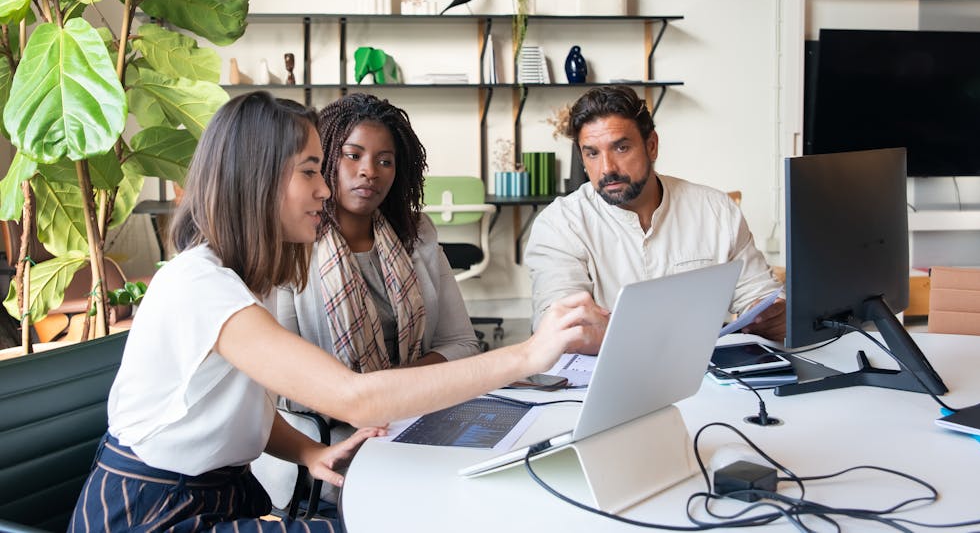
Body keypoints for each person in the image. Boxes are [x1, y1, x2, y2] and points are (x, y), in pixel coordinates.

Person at [69, 91, 600, 532]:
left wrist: (306, 451)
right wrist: (530, 354)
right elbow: (353, 396)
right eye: (310, 171)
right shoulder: (201, 285)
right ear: (258, 180)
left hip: (217, 493)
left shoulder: (238, 279)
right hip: (154, 513)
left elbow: (231, 407)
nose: (326, 188)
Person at [253, 93, 480, 510]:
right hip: (327, 449)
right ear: (323, 161)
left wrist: (394, 392)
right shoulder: (291, 244)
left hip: (417, 424)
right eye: (352, 155)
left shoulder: (417, 234)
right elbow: (285, 386)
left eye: (384, 161)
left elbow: (462, 344)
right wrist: (385, 395)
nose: (368, 172)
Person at [524, 85, 785, 355]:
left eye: (621, 148)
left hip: (706, 377)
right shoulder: (559, 224)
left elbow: (761, 294)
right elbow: (560, 327)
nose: (607, 169)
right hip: (602, 381)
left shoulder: (716, 210)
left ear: (651, 146)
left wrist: (770, 314)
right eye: (592, 153)